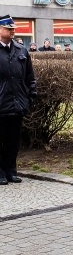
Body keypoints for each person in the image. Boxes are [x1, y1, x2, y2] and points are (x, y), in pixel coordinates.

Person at [0, 15, 37, 185]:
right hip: (1, 104)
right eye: (9, 29)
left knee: (13, 141)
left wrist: (31, 96)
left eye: (13, 28)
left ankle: (11, 170)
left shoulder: (21, 50)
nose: (12, 31)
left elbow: (30, 77)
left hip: (17, 104)